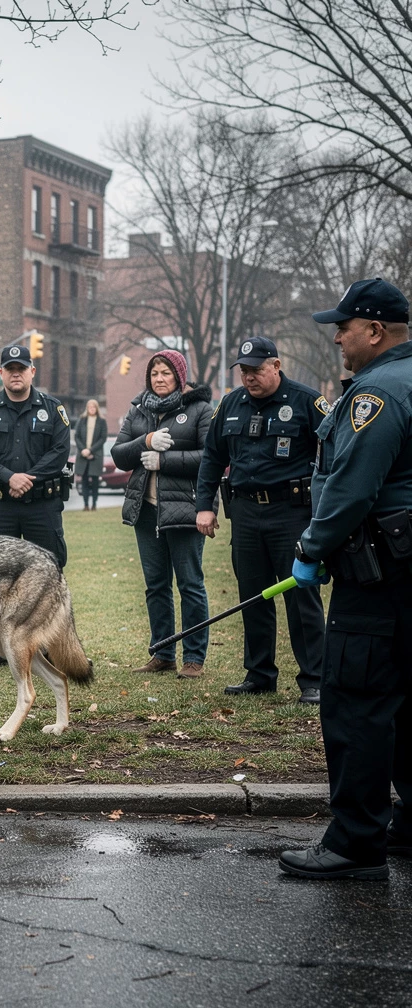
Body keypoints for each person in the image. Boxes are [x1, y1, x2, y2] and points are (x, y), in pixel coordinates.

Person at [280, 278, 412, 881]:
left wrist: (310, 547)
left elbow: (350, 490)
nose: (337, 337)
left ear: (375, 331)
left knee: (357, 702)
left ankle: (356, 844)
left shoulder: (377, 394)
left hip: (379, 579)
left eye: (344, 327)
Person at [196, 337, 325, 705]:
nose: (249, 377)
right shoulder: (231, 404)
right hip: (247, 512)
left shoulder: (306, 401)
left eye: (256, 370)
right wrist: (204, 505)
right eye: (244, 371)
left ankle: (314, 678)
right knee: (253, 596)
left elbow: (334, 453)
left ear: (276, 366)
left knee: (302, 597)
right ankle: (259, 674)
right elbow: (212, 457)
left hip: (293, 513)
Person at [0, 344, 71, 667]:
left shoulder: (53, 410)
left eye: (21, 368)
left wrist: (29, 478)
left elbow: (59, 452)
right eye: (9, 368)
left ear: (31, 372)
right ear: (0, 373)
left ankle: (52, 647)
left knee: (50, 573)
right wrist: (8, 476)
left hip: (42, 504)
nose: (15, 373)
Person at [111, 350, 212, 679]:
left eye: (166, 373)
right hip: (146, 512)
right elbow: (119, 455)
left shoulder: (199, 410)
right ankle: (163, 652)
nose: (159, 378)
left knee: (190, 585)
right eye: (154, 373)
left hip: (185, 511)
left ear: (180, 376)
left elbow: (210, 458)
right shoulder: (139, 410)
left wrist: (165, 460)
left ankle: (194, 656)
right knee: (156, 586)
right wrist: (147, 441)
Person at [74, 398, 108, 510]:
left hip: (95, 455)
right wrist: (83, 449)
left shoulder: (102, 421)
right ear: (87, 408)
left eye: (93, 407)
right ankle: (85, 504)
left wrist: (91, 450)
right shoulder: (82, 420)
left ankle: (94, 504)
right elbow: (77, 436)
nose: (91, 409)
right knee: (84, 480)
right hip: (82, 454)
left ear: (96, 408)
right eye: (89, 407)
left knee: (94, 481)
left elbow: (103, 438)